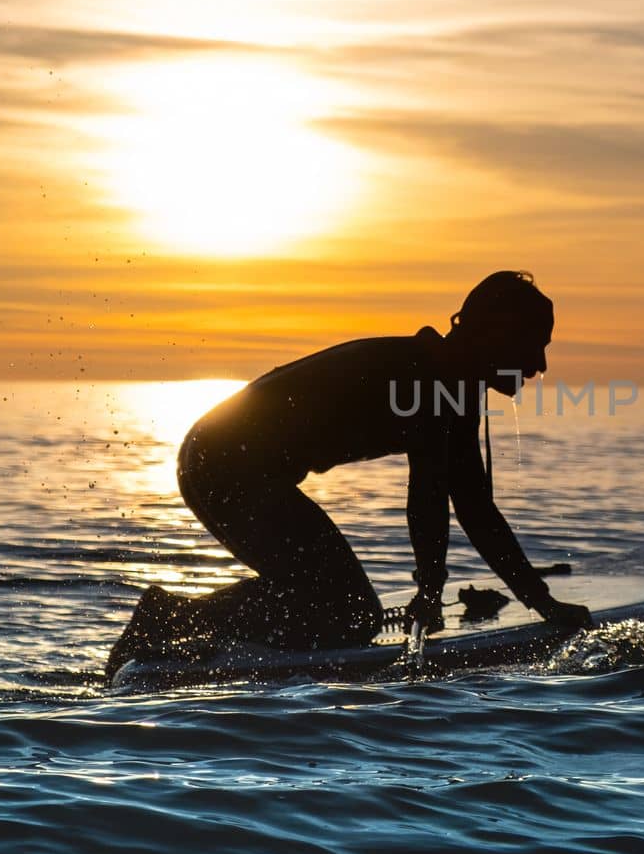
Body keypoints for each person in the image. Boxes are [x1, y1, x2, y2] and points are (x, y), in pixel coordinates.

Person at [106, 271, 592, 677]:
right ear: (496, 336)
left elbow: (474, 508)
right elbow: (427, 499)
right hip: (223, 463)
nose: (538, 365)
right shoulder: (429, 380)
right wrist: (429, 592)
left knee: (338, 607)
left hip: (227, 462)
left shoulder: (452, 387)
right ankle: (174, 618)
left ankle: (194, 631)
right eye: (533, 347)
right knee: (350, 612)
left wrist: (538, 599)